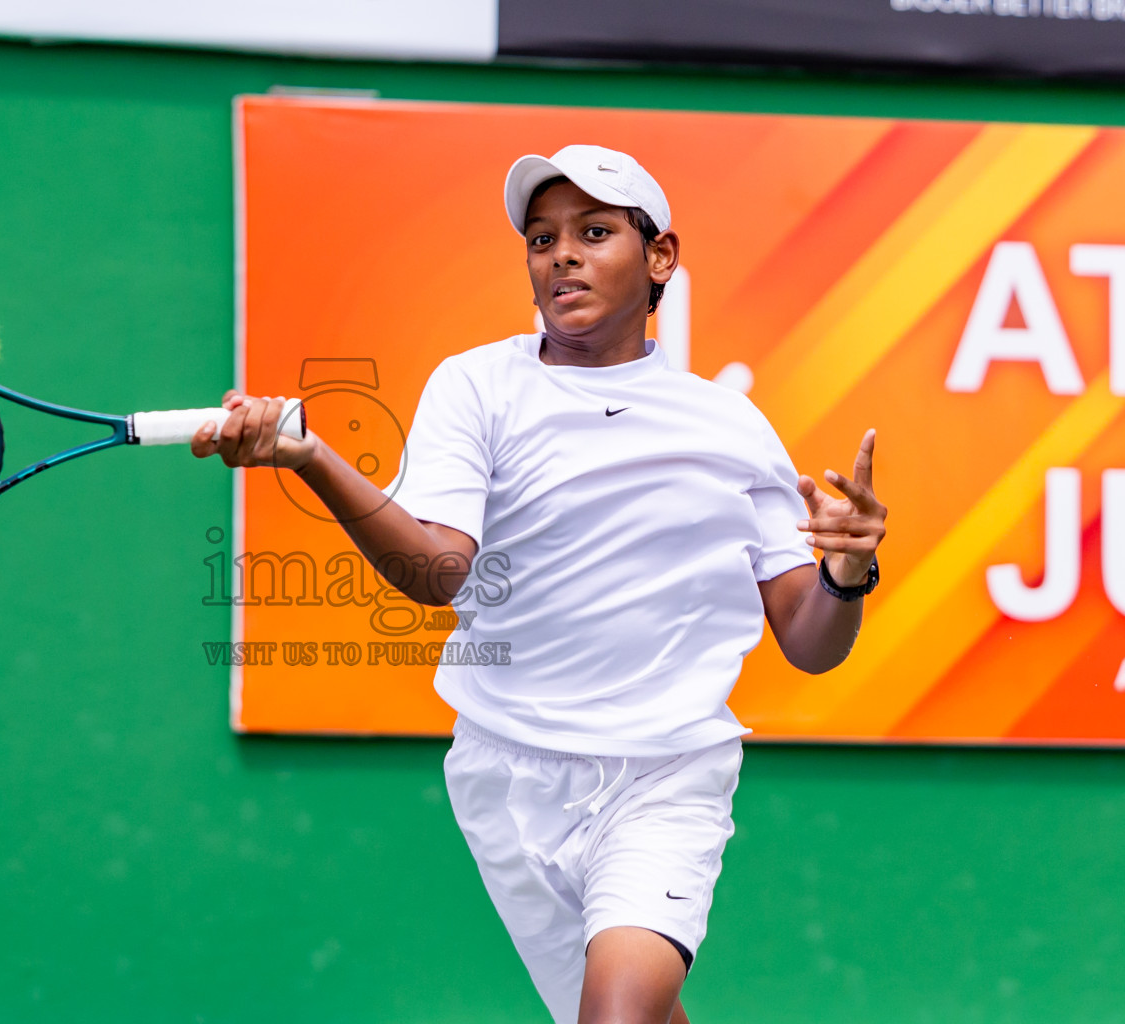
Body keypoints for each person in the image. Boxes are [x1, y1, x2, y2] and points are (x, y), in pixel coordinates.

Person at [191, 144, 887, 1024]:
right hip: (504, 771)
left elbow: (810, 642)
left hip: (664, 776)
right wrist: (311, 458)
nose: (560, 254)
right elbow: (435, 571)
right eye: (541, 237)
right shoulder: (476, 386)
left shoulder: (729, 426)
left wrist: (847, 571)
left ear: (660, 258)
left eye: (595, 232)